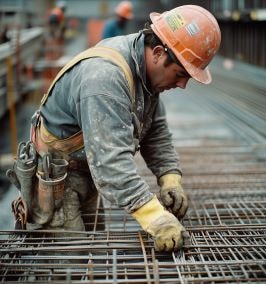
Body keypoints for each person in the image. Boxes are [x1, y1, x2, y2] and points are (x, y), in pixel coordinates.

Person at [8, 5, 221, 252]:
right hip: (58, 180)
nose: (183, 84)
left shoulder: (144, 69)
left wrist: (169, 178)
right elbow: (111, 164)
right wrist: (156, 218)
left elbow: (155, 129)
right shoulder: (105, 78)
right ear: (159, 52)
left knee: (92, 254)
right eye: (180, 73)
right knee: (70, 263)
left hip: (87, 171)